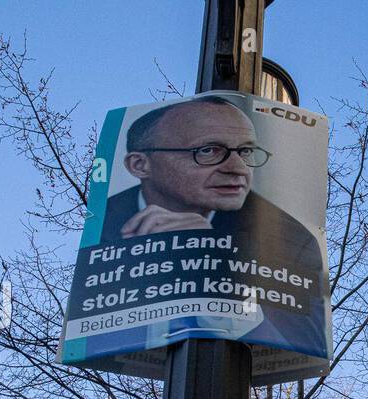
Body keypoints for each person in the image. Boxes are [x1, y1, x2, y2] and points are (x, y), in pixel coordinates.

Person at [99, 97, 324, 295]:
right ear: (140, 165)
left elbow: (295, 339)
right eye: (208, 150)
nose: (238, 168)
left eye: (246, 151)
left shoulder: (290, 240)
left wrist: (210, 256)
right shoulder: (100, 226)